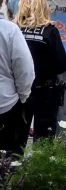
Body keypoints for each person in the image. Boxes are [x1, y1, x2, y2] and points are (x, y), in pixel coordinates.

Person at [14, 0, 66, 141]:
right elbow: (62, 64)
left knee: (16, 140)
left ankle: (12, 164)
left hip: (17, 92)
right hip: (45, 91)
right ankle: (40, 165)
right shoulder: (50, 31)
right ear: (44, 7)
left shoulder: (14, 30)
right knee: (44, 140)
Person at [0, 16, 34, 155]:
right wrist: (23, 96)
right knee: (8, 159)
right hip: (5, 103)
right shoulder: (9, 30)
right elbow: (25, 69)